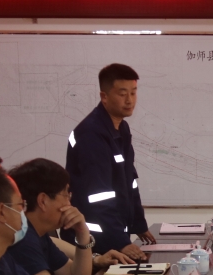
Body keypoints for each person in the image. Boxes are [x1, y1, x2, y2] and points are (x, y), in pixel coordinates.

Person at [9, 158, 140, 275]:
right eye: (66, 195)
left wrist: (82, 233)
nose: (69, 203)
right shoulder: (22, 237)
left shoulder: (38, 235)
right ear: (43, 201)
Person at [66, 63, 155, 261]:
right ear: (104, 97)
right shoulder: (91, 134)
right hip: (93, 241)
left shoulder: (121, 129)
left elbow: (129, 182)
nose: (129, 100)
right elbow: (99, 197)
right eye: (122, 94)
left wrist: (139, 224)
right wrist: (121, 242)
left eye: (133, 92)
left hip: (112, 235)